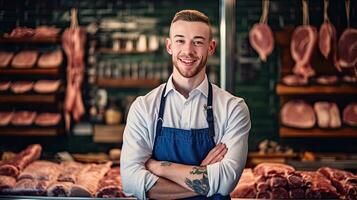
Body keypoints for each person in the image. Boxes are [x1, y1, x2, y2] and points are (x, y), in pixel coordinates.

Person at [120, 9, 251, 199]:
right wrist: (204, 174)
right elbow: (131, 182)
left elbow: (225, 182)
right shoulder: (144, 107)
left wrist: (158, 167)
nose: (188, 51)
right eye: (180, 40)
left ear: (211, 47)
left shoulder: (233, 108)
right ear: (169, 46)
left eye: (198, 42)